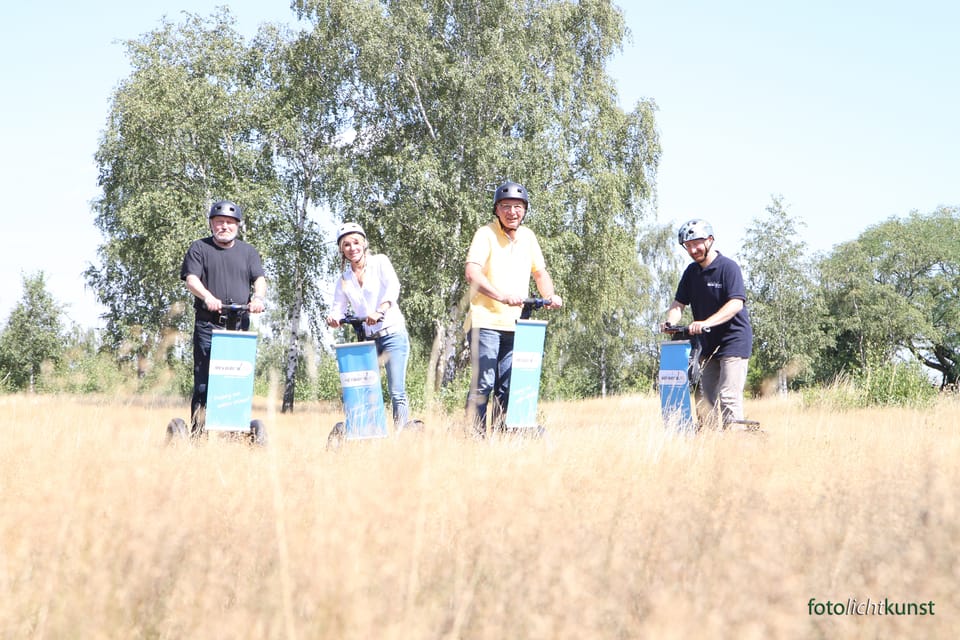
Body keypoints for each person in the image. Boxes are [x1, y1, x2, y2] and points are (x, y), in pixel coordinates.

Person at [464, 180, 562, 436]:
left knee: (509, 384)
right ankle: (473, 437)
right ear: (496, 210)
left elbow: (540, 273)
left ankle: (503, 436)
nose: (512, 212)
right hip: (485, 321)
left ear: (525, 210)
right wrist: (501, 296)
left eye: (517, 207)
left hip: (516, 325)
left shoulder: (528, 237)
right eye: (505, 206)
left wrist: (550, 296)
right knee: (484, 382)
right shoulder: (485, 234)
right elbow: (472, 272)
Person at [180, 200, 267, 435]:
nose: (224, 226)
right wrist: (207, 296)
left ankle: (235, 432)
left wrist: (258, 299)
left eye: (229, 222)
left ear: (237, 225)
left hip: (239, 326)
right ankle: (198, 434)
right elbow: (191, 279)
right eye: (219, 222)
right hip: (209, 324)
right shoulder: (199, 248)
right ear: (211, 224)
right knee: (205, 380)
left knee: (237, 378)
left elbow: (259, 278)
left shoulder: (248, 252)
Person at [661, 218, 753, 430]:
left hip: (734, 341)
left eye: (697, 243)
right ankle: (708, 445)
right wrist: (669, 322)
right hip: (707, 345)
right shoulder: (691, 273)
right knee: (703, 397)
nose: (693, 249)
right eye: (688, 246)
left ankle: (735, 443)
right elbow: (678, 304)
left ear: (710, 240)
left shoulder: (728, 268)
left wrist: (705, 322)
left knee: (728, 395)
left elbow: (736, 303)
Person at [326, 222, 414, 431]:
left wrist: (380, 310)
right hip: (367, 340)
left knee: (396, 391)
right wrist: (334, 318)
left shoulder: (380, 262)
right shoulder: (344, 279)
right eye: (346, 245)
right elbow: (338, 306)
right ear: (341, 250)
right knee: (365, 387)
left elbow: (393, 286)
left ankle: (401, 434)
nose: (352, 248)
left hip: (392, 334)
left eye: (356, 242)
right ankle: (368, 431)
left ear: (364, 243)